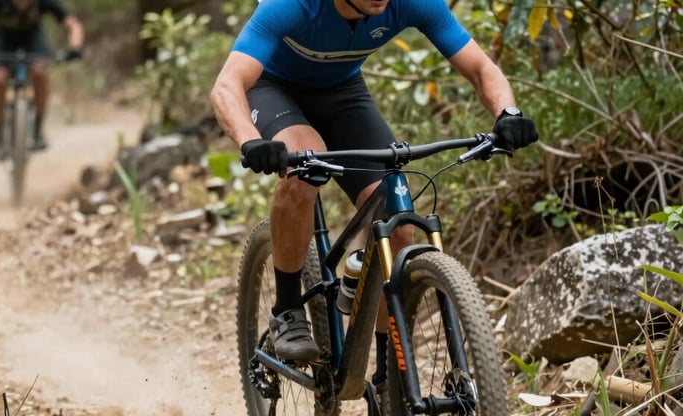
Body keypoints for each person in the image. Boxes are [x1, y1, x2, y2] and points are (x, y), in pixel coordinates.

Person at [209, 0, 538, 391]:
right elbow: (227, 85)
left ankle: (388, 373)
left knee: (398, 221)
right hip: (273, 89)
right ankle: (287, 308)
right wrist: (250, 141)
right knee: (303, 169)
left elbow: (481, 67)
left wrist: (508, 113)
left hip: (343, 93)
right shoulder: (293, 5)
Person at [0, 0, 84, 161]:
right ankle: (0, 138)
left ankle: (37, 130)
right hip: (2, 43)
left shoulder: (43, 3)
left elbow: (72, 24)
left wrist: (75, 47)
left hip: (34, 43)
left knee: (39, 72)